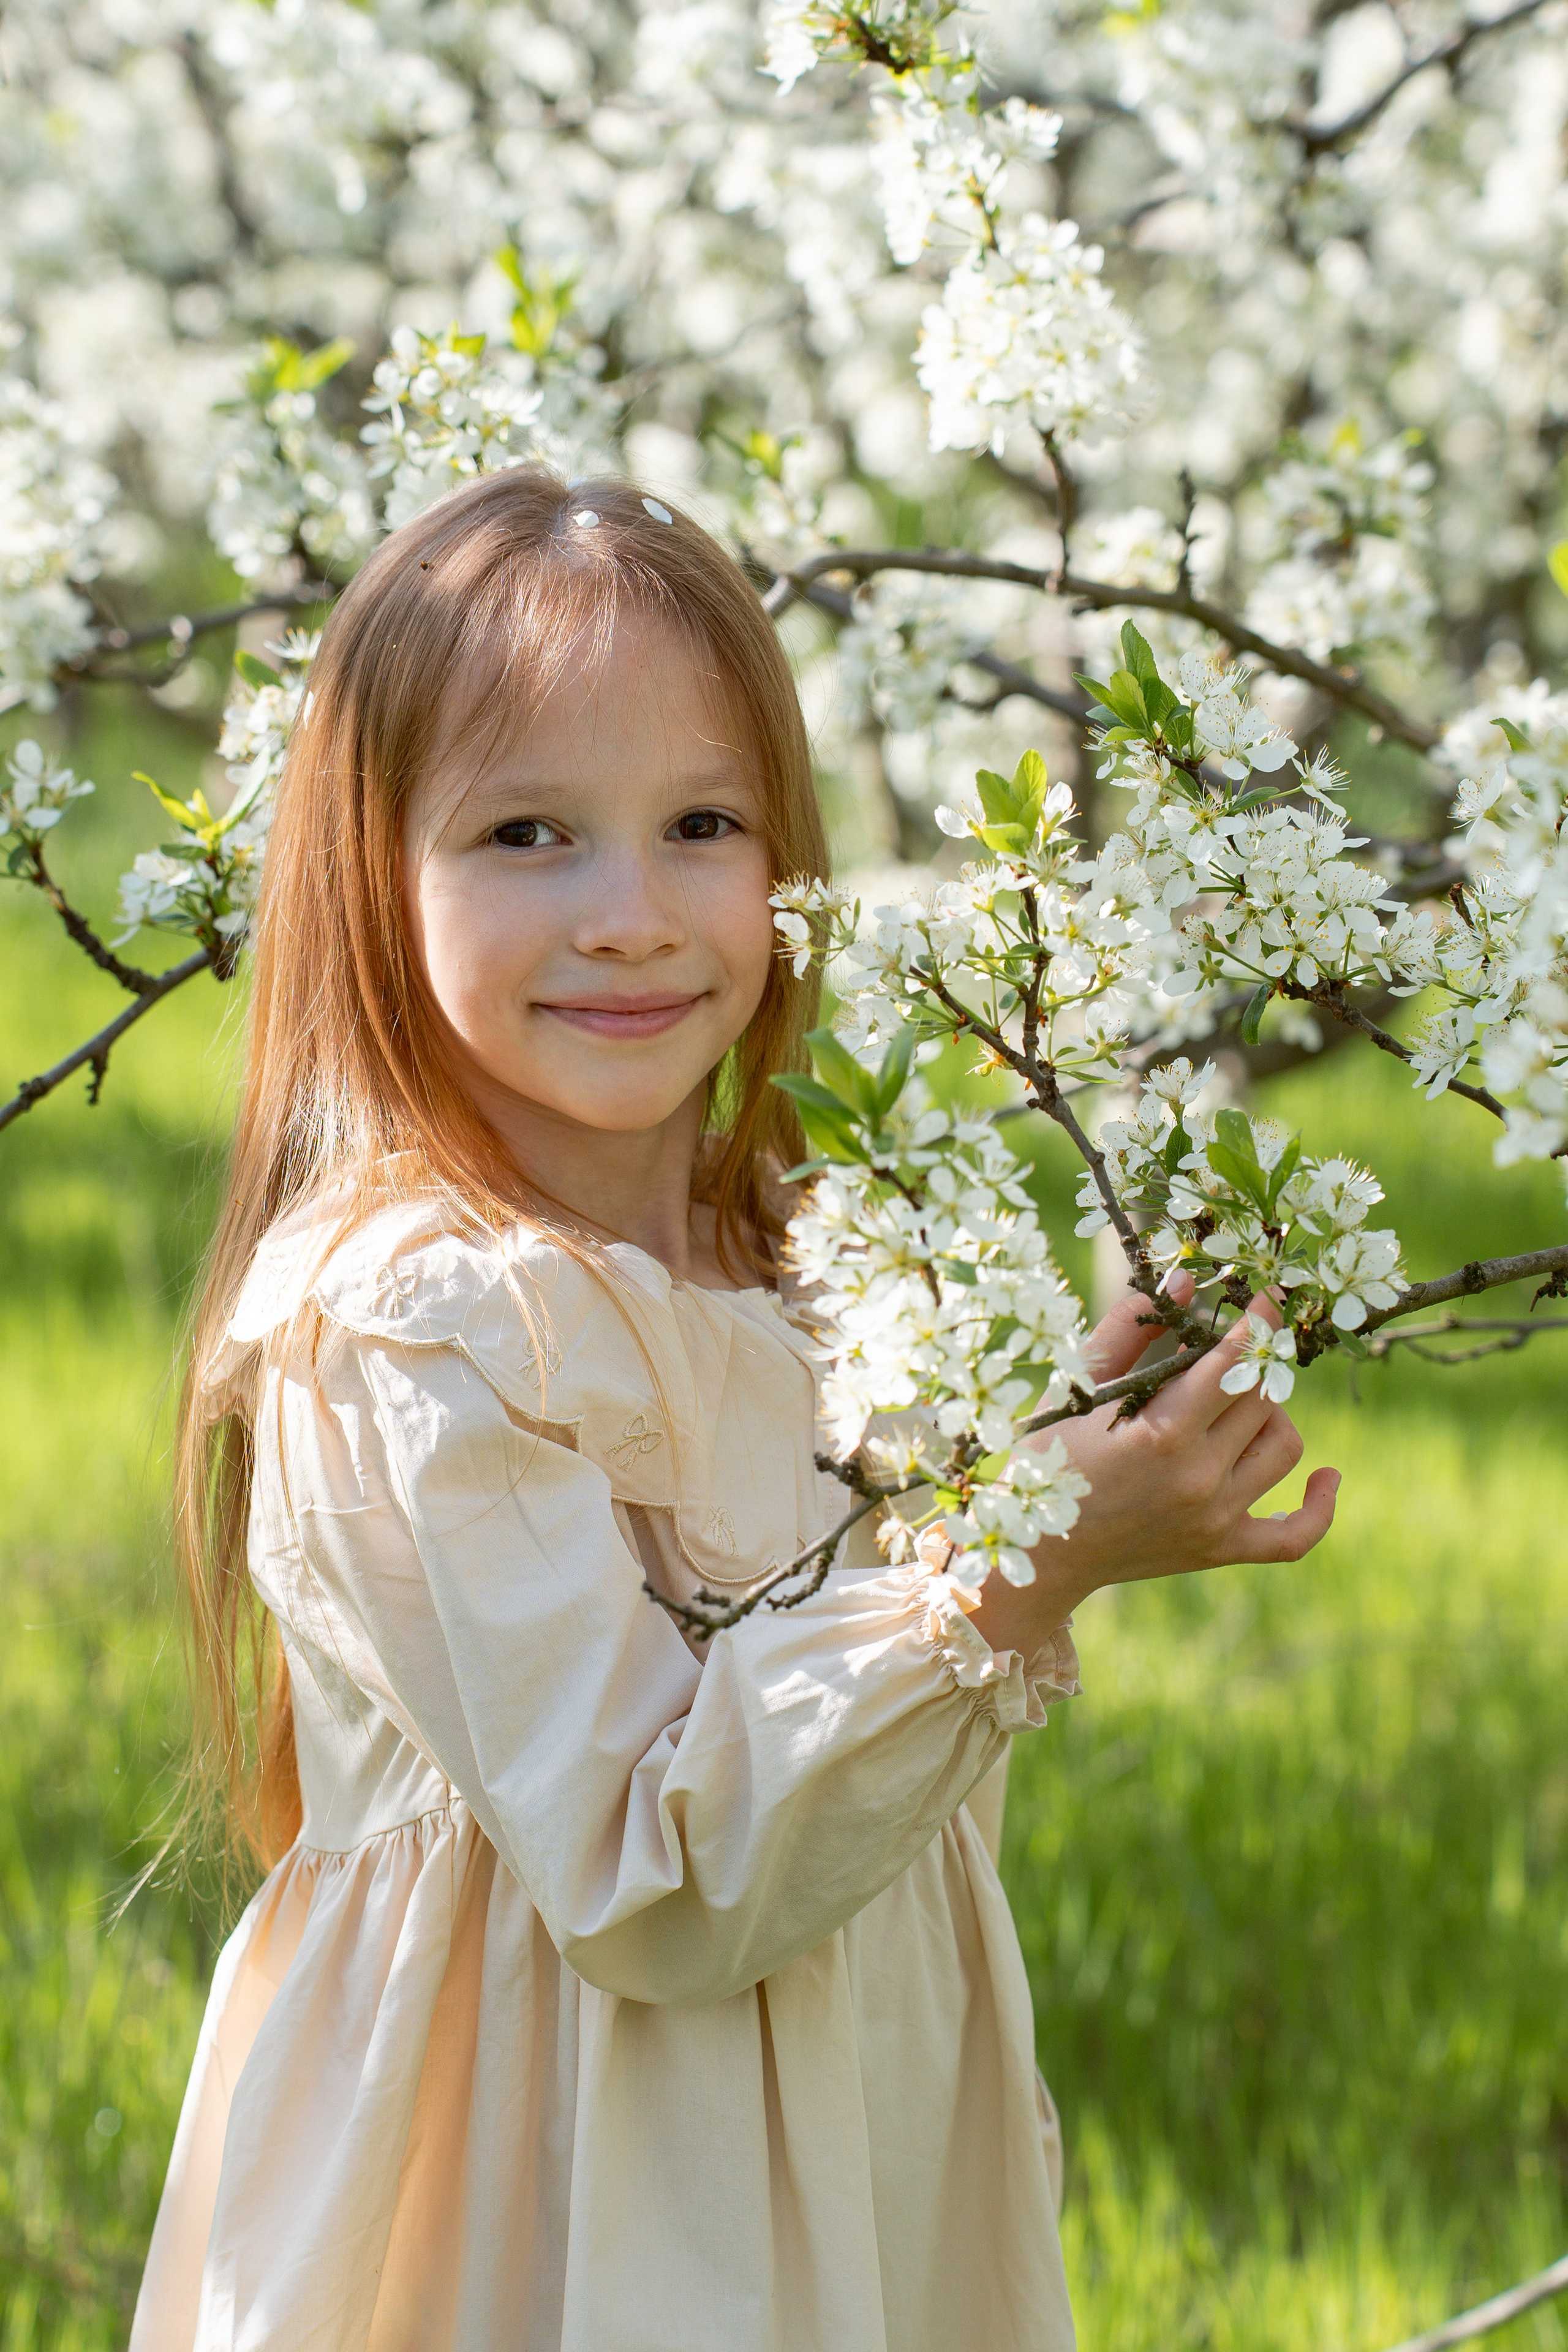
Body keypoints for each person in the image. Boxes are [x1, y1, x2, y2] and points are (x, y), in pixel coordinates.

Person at [130, 468, 1340, 2352]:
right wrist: (1027, 1579)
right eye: (528, 833)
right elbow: (653, 1873)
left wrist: (1064, 1443)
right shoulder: (411, 1329)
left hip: (840, 2146)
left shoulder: (805, 1265)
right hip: (552, 2210)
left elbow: (831, 1688)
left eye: (702, 824)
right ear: (371, 876)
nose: (630, 914)